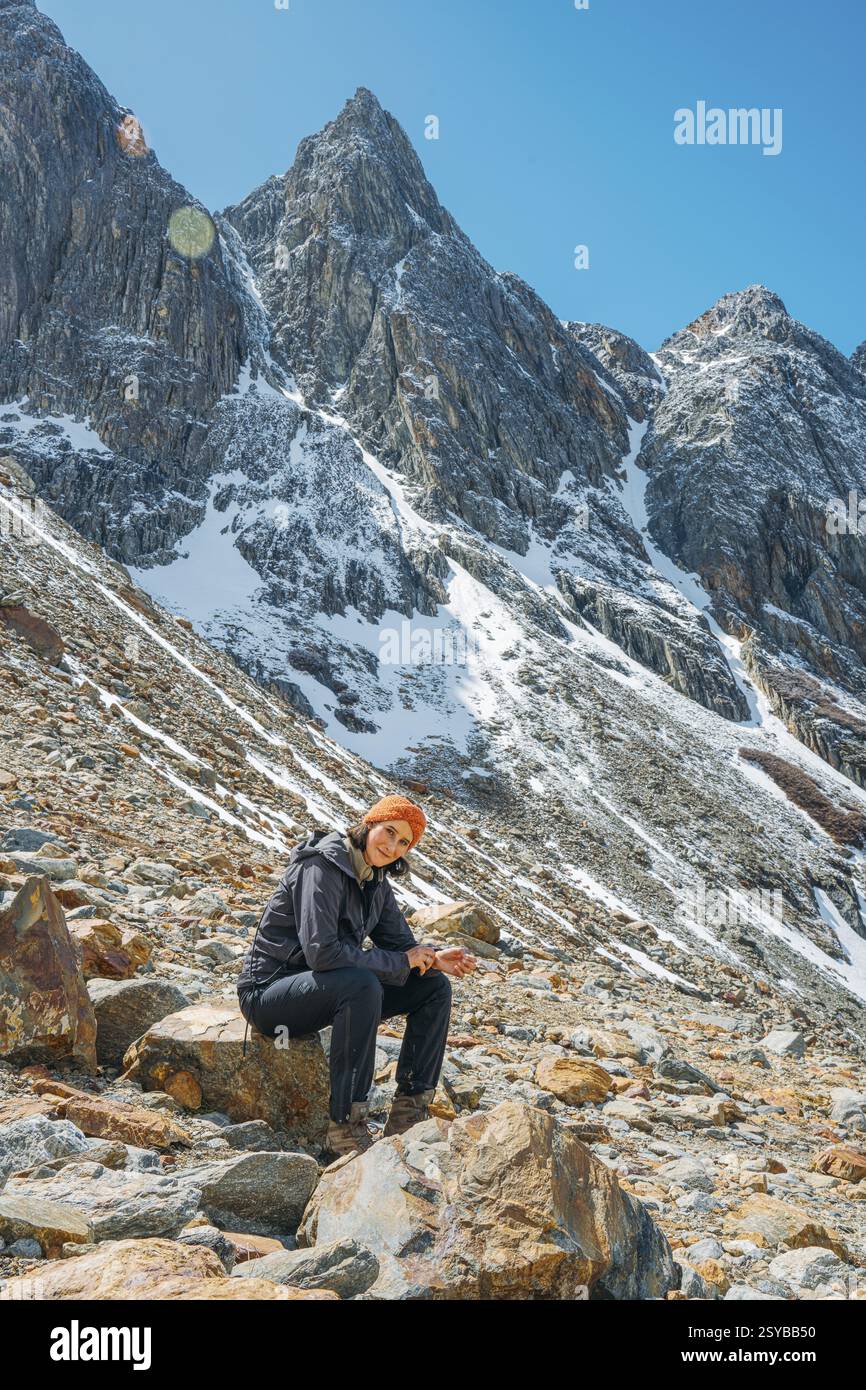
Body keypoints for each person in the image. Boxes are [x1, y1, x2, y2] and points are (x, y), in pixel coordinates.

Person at [237, 794, 476, 1158]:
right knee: (361, 984)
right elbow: (322, 952)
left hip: (325, 991)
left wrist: (431, 959)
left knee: (432, 987)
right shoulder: (321, 866)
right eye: (389, 832)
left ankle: (408, 1115)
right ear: (370, 824)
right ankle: (345, 1126)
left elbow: (400, 948)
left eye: (404, 842)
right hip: (269, 995)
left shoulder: (375, 881)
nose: (392, 845)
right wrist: (401, 961)